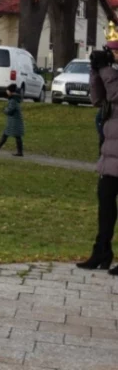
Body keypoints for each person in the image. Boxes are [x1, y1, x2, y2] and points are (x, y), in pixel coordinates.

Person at [78, 34, 118, 271]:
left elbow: (115, 94)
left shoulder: (112, 75)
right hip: (110, 152)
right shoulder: (111, 74)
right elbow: (98, 98)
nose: (112, 55)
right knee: (105, 203)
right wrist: (95, 71)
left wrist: (105, 69)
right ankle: (101, 251)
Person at [0, 84, 24, 156]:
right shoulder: (14, 99)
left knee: (17, 136)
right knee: (6, 134)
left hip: (15, 121)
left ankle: (20, 152)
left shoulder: (13, 100)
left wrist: (4, 110)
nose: (6, 92)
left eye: (7, 91)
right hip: (13, 121)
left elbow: (10, 110)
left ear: (10, 91)